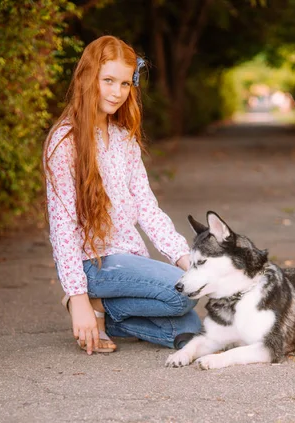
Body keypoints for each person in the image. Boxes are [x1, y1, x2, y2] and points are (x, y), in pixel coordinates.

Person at [44, 35, 201, 355]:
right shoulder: (65, 142)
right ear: (89, 78)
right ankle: (88, 302)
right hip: (94, 263)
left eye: (126, 84)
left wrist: (187, 260)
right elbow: (62, 227)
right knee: (182, 294)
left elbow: (147, 207)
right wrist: (76, 294)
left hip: (129, 260)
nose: (117, 92)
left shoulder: (122, 138)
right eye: (108, 81)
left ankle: (104, 311)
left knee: (190, 329)